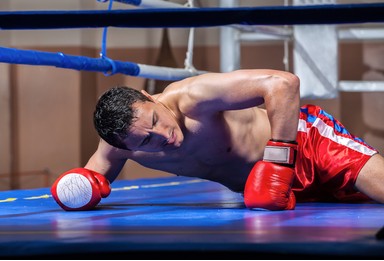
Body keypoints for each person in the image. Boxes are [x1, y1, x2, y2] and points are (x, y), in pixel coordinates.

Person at [51, 69, 384, 211]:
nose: (163, 137)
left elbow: (282, 84)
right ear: (126, 147)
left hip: (308, 144)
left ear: (147, 96)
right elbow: (91, 180)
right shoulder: (119, 145)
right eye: (145, 142)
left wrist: (279, 161)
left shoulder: (192, 97)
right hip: (270, 195)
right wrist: (77, 188)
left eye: (155, 120)